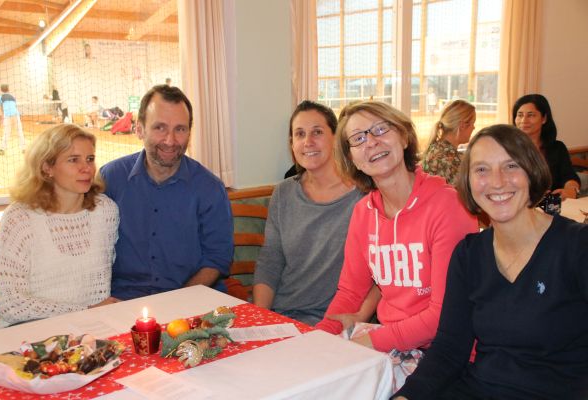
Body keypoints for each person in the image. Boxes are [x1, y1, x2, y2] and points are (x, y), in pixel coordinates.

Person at [393, 125, 588, 400]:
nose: (497, 182)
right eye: (482, 169)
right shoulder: (469, 255)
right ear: (468, 181)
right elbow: (449, 349)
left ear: (532, 171)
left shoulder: (577, 245)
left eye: (511, 166)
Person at [316, 101, 477, 381]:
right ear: (351, 158)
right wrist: (318, 338)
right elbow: (350, 293)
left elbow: (443, 315)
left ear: (403, 136)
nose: (371, 142)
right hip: (392, 345)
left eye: (381, 129)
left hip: (446, 353)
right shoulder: (363, 213)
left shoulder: (448, 205)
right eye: (358, 138)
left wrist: (367, 342)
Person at [100, 85, 233, 300]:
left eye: (180, 129)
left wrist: (175, 302)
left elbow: (217, 258)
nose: (170, 141)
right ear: (139, 129)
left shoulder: (210, 188)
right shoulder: (110, 179)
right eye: (160, 128)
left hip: (191, 299)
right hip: (124, 302)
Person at [0, 124, 119, 330]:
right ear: (47, 167)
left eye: (90, 159)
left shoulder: (105, 211)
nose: (86, 168)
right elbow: (12, 305)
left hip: (93, 329)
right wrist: (85, 310)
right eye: (73, 160)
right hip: (27, 331)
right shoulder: (20, 218)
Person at [252, 100, 364, 325]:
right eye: (300, 134)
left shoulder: (363, 195)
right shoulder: (283, 193)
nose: (308, 141)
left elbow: (377, 273)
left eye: (317, 132)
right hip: (282, 314)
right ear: (292, 144)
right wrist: (260, 318)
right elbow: (271, 260)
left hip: (335, 320)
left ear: (336, 138)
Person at [513, 94, 580, 199]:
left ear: (544, 119)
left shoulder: (557, 148)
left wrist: (571, 189)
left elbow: (569, 176)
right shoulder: (507, 149)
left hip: (551, 206)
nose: (524, 120)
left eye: (531, 115)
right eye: (520, 115)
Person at [422, 100, 476, 185]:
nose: (474, 127)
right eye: (473, 123)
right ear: (462, 126)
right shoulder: (451, 159)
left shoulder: (435, 148)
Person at [0, 84, 25, 155]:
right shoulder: (12, 97)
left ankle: (2, 149)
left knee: (6, 132)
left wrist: (1, 118)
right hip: (16, 114)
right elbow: (14, 106)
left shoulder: (0, 97)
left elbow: (1, 108)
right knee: (19, 131)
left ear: (1, 89)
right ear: (8, 89)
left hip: (7, 116)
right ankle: (23, 148)